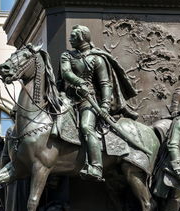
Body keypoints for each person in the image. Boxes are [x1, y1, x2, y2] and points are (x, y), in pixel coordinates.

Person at [59, 25, 138, 182]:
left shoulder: (97, 58)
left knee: (86, 127)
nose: (70, 39)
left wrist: (104, 106)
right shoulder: (67, 56)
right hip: (66, 99)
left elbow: (104, 84)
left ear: (82, 38)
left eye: (73, 36)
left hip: (87, 101)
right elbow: (66, 73)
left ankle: (96, 166)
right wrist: (80, 82)